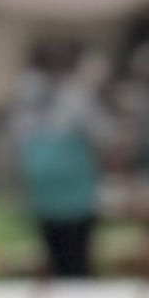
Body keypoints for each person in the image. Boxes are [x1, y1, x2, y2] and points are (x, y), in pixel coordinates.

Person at [13, 63, 103, 283]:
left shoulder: (75, 100)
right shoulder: (31, 107)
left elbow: (102, 134)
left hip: (73, 203)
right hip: (51, 203)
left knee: (74, 262)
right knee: (61, 263)